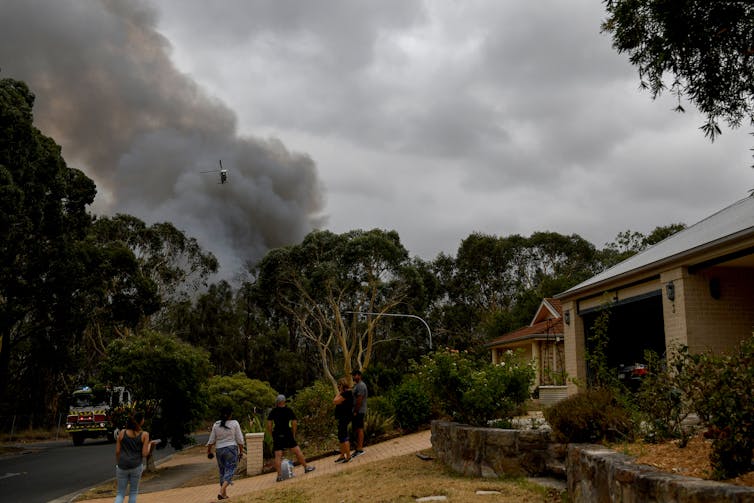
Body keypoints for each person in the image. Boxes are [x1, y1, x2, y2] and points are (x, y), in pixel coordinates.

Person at [266, 394, 315, 481]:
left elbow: (269, 425)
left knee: (278, 455)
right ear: (284, 401)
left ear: (277, 402)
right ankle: (306, 467)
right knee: (297, 451)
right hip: (287, 433)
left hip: (277, 434)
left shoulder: (273, 411)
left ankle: (279, 476)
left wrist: (272, 434)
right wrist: (293, 433)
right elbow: (294, 422)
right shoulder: (288, 410)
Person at [206, 406, 245, 500]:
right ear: (230, 414)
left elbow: (211, 440)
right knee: (230, 470)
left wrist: (209, 451)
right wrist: (241, 451)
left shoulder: (216, 424)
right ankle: (221, 491)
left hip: (219, 450)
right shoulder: (234, 423)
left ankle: (224, 494)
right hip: (231, 449)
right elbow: (240, 439)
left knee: (222, 471)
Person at [114, 411, 151, 503]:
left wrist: (119, 463)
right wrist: (150, 444)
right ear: (141, 421)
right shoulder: (145, 435)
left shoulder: (122, 433)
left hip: (122, 466)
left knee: (120, 493)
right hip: (136, 466)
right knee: (133, 492)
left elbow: (118, 451)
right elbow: (144, 454)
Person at [333, 377, 354, 463]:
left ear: (343, 385)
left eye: (339, 385)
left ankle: (348, 456)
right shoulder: (346, 393)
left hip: (344, 417)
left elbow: (335, 401)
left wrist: (340, 392)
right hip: (342, 417)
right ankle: (342, 455)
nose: (338, 387)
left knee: (344, 436)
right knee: (341, 436)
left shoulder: (346, 393)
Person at [351, 369, 368, 457]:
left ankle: (360, 449)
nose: (353, 376)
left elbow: (359, 400)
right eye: (353, 375)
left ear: (359, 375)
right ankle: (358, 448)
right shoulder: (356, 385)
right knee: (357, 429)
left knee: (360, 428)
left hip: (359, 411)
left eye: (355, 375)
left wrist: (355, 411)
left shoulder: (361, 385)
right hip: (356, 411)